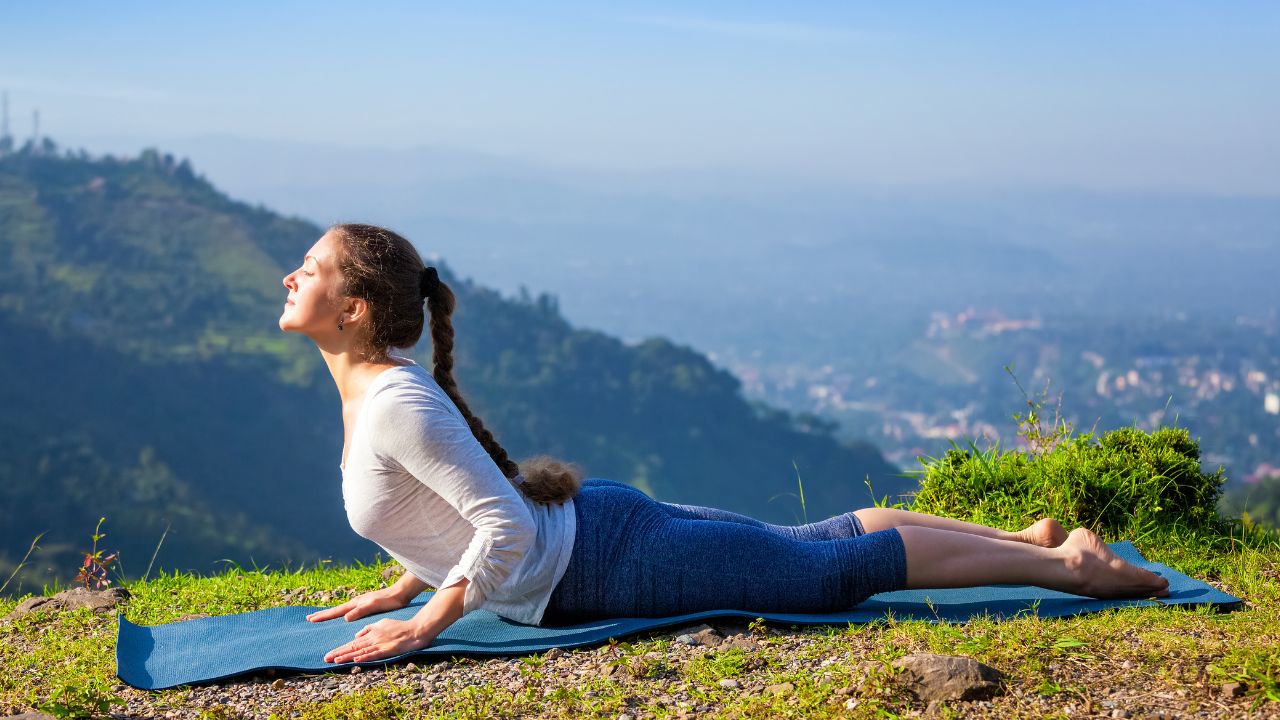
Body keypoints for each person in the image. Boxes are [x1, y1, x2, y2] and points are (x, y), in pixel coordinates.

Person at [280, 223, 1169, 666]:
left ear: (354, 310)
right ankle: (1029, 541)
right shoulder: (376, 392)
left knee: (825, 574)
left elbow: (501, 525)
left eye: (310, 270)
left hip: (602, 563)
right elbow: (450, 502)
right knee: (812, 545)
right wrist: (410, 574)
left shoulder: (393, 401)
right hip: (598, 536)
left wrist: (425, 627)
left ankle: (1070, 571)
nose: (291, 276)